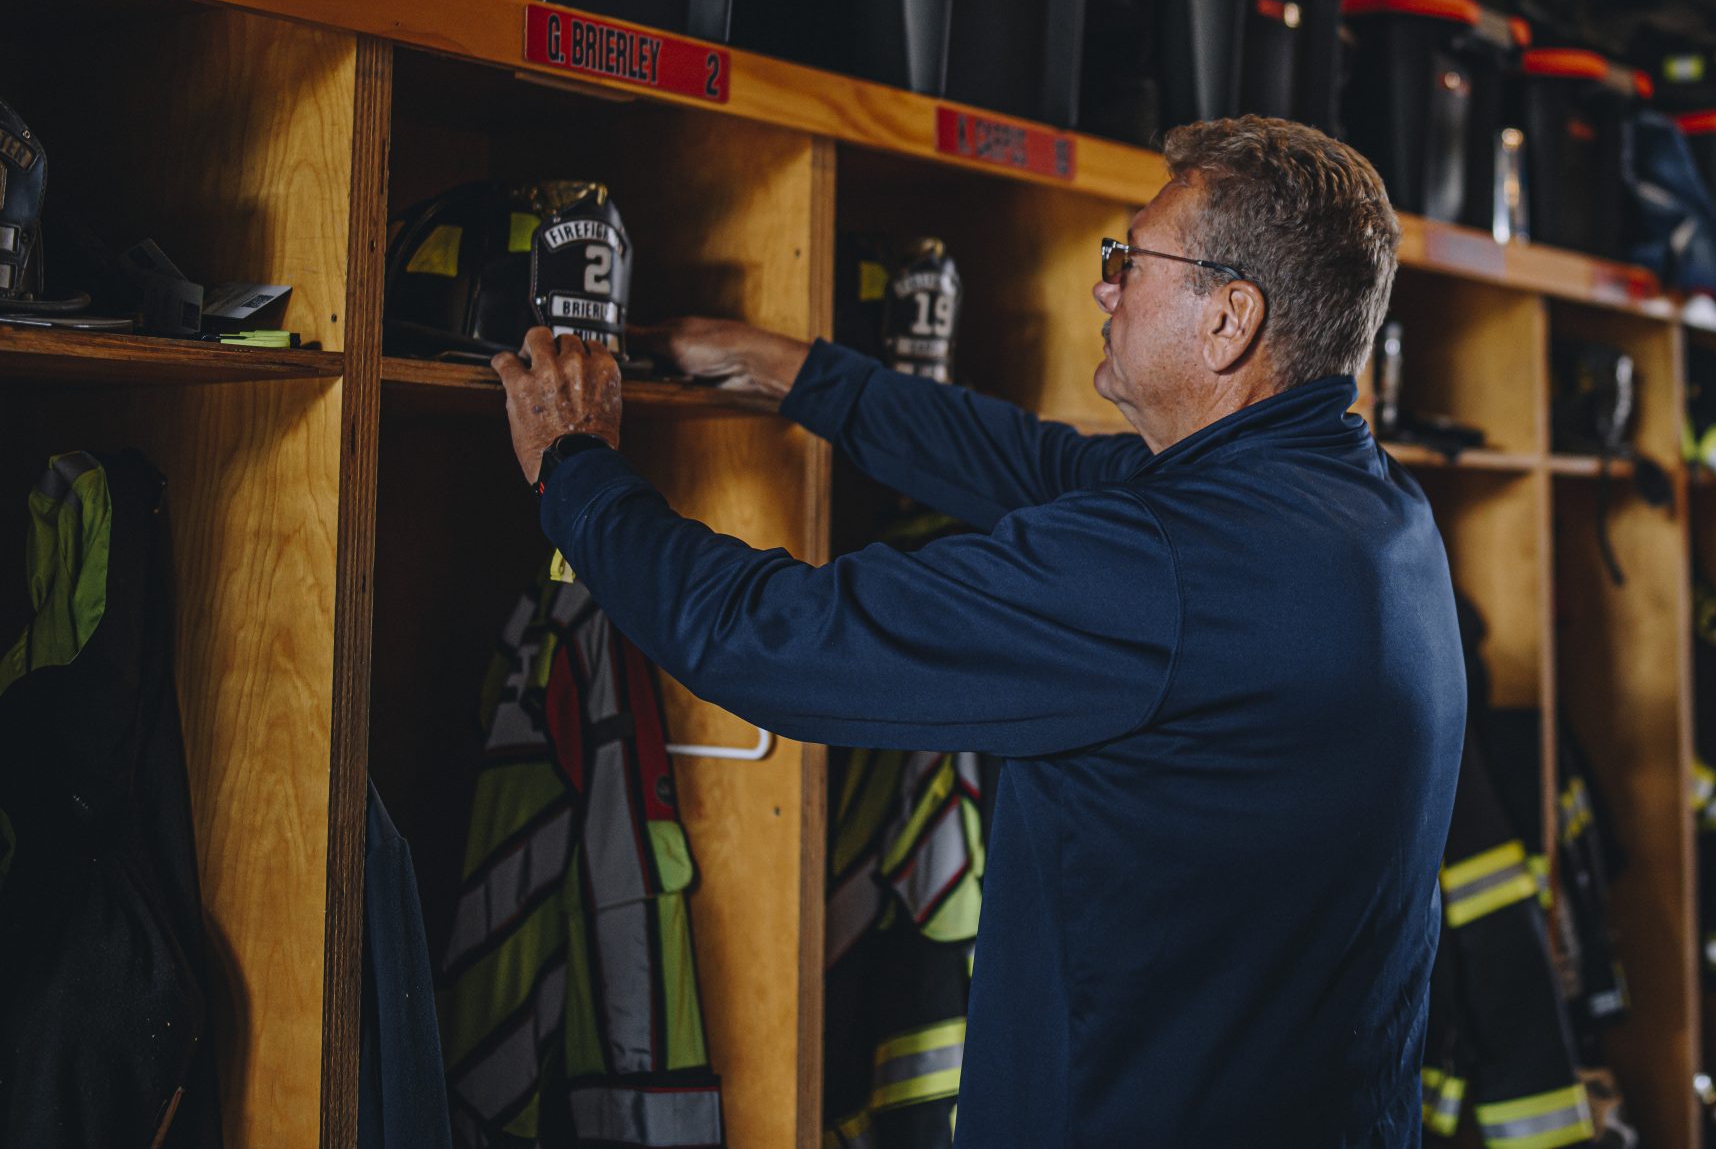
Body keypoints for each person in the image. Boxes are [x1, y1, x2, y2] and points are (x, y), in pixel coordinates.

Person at [495, 116, 1466, 1148]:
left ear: (1229, 319)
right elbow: (1036, 466)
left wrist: (576, 470)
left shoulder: (1161, 570)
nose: (1106, 286)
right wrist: (793, 372)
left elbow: (773, 640)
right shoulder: (1368, 513)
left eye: (1130, 261)